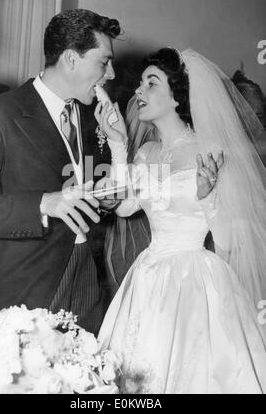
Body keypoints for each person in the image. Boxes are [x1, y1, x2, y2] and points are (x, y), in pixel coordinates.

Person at [96, 48, 266, 393]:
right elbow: (125, 205)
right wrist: (118, 145)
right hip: (146, 276)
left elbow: (230, 242)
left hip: (195, 283)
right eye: (140, 83)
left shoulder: (211, 150)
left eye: (151, 83)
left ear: (177, 97)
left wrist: (207, 195)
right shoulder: (148, 154)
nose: (139, 92)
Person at [0, 9, 121, 335]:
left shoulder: (93, 118)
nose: (111, 74)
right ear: (71, 60)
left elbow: (93, 190)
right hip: (29, 288)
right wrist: (43, 203)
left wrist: (116, 152)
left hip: (86, 283)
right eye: (104, 62)